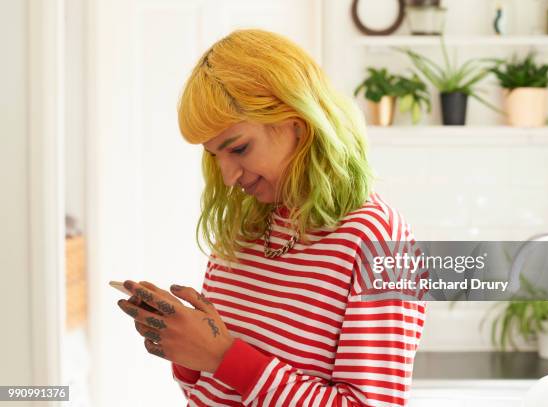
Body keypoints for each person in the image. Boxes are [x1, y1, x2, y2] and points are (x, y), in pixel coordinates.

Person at [116, 29, 426, 406]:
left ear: (298, 123)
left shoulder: (380, 240)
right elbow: (213, 391)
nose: (228, 176)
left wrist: (222, 356)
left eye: (239, 148)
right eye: (214, 156)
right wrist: (187, 352)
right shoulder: (243, 228)